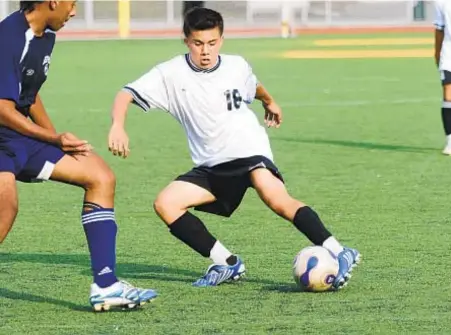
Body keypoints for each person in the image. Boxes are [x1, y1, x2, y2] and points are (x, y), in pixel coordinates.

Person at [108, 7, 360, 289]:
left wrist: (269, 101)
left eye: (212, 43)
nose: (205, 51)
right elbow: (125, 93)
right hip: (213, 163)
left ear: (222, 40)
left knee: (275, 197)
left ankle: (340, 252)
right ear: (186, 41)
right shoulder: (169, 74)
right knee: (166, 204)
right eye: (198, 43)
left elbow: (255, 86)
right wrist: (118, 125)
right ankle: (226, 262)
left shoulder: (236, 65)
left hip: (248, 149)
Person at [0, 1, 156, 312]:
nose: (73, 12)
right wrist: (53, 138)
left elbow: (27, 94)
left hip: (20, 135)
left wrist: (58, 143)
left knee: (100, 176)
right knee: (6, 205)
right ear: (53, 2)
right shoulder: (8, 36)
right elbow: (2, 108)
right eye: (71, 4)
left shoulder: (46, 35)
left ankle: (106, 285)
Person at [434, 0, 451, 155]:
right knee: (449, 95)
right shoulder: (441, 2)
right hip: (450, 57)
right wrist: (437, 53)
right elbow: (439, 30)